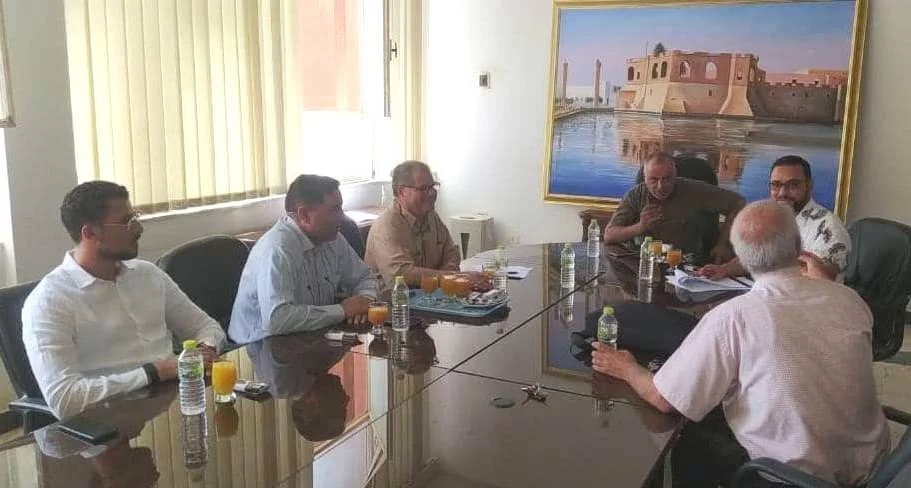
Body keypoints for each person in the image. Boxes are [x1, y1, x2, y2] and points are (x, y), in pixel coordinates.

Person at [592, 200, 889, 487]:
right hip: (875, 473)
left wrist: (626, 367)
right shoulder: (849, 299)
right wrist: (824, 283)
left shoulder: (734, 317)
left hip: (789, 479)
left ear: (742, 259)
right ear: (799, 247)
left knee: (688, 435)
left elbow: (664, 399)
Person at [22, 181, 225, 420]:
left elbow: (207, 327)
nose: (138, 229)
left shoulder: (148, 274)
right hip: (108, 421)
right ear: (90, 233)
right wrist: (153, 372)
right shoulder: (48, 301)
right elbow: (65, 399)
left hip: (172, 406)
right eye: (126, 222)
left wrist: (204, 351)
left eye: (135, 217)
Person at [228, 175, 378, 344]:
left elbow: (365, 277)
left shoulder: (333, 239)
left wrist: (364, 300)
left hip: (311, 337)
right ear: (304, 215)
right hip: (258, 347)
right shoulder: (278, 248)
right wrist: (343, 311)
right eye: (335, 209)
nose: (341, 216)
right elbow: (277, 319)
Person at [697, 155, 851, 281]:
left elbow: (824, 279)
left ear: (809, 186)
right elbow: (756, 257)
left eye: (793, 185)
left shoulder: (828, 227)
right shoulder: (773, 219)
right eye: (776, 185)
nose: (783, 193)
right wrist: (723, 270)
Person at [604, 152, 745, 264]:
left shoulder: (696, 190)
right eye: (653, 180)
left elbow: (738, 203)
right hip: (646, 264)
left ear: (675, 175)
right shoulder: (636, 195)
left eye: (666, 179)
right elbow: (609, 235)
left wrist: (724, 244)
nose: (660, 186)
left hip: (691, 264)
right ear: (645, 178)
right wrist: (640, 227)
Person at [365, 161, 462, 286]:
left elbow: (452, 253)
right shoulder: (386, 226)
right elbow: (401, 274)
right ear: (401, 192)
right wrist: (447, 277)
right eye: (423, 188)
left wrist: (447, 278)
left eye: (433, 186)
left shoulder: (431, 216)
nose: (432, 193)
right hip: (396, 297)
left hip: (432, 293)